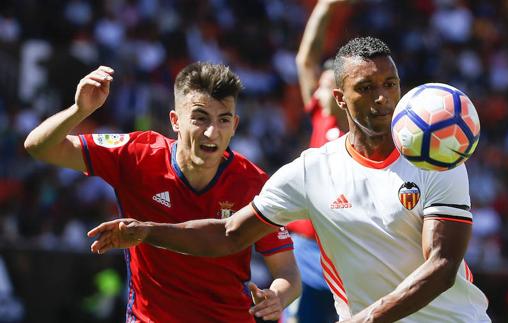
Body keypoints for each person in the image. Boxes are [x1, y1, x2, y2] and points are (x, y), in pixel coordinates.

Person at [87, 37, 491, 322]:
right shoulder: (312, 170)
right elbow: (229, 235)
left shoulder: (438, 159)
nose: (382, 97)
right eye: (365, 88)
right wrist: (147, 231)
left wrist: (369, 318)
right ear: (339, 99)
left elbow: (441, 264)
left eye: (389, 84)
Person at [24, 62, 301, 322]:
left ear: (235, 126)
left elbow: (287, 272)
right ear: (175, 120)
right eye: (200, 118)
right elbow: (39, 147)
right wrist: (78, 111)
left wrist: (277, 296)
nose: (211, 132)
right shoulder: (136, 156)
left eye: (223, 120)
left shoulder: (254, 183)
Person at [290, 0, 350, 322]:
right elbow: (305, 59)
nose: (319, 91)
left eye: (327, 86)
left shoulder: (372, 138)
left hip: (349, 254)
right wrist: (325, 6)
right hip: (307, 248)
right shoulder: (322, 121)